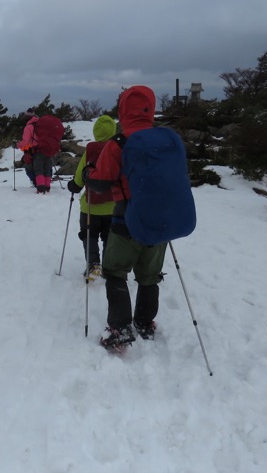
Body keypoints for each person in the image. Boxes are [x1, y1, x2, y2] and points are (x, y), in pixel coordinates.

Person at [83, 86, 167, 350]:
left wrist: (86, 175)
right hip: (160, 219)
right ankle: (144, 322)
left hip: (126, 218)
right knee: (149, 275)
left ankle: (119, 330)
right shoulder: (165, 140)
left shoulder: (118, 143)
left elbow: (100, 182)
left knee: (116, 271)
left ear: (123, 110)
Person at [67, 114, 117, 282]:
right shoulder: (118, 149)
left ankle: (93, 263)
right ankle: (110, 266)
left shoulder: (91, 150)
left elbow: (80, 176)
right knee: (110, 237)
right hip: (114, 206)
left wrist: (74, 186)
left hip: (90, 206)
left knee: (89, 234)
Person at [16, 108, 53, 194]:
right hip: (48, 149)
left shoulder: (29, 127)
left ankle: (40, 188)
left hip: (37, 151)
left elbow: (25, 142)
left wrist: (17, 145)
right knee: (47, 169)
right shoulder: (42, 125)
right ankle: (47, 187)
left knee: (38, 170)